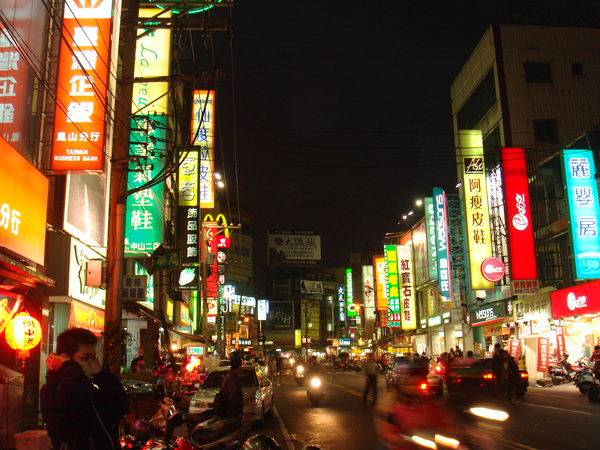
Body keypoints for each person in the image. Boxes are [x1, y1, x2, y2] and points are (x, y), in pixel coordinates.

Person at [40, 327, 128, 450]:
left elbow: (118, 407)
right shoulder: (51, 391)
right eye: (86, 358)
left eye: (93, 358)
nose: (91, 363)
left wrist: (100, 374)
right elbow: (80, 396)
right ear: (65, 358)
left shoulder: (85, 385)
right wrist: (68, 366)